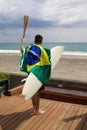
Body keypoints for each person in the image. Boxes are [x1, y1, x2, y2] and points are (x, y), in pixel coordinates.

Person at [20, 34, 51, 115]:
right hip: (38, 75)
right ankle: (37, 110)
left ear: (34, 41)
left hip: (31, 74)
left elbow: (22, 51)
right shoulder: (42, 50)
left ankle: (34, 108)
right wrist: (46, 74)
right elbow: (47, 63)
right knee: (37, 93)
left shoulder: (30, 48)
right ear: (42, 41)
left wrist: (22, 42)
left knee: (33, 91)